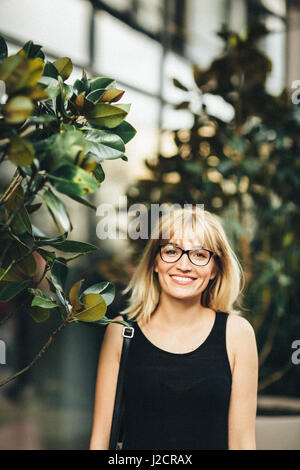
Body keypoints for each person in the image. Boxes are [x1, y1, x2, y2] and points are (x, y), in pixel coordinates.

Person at [89, 206, 258, 450]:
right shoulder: (122, 331)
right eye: (171, 251)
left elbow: (243, 444)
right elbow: (99, 442)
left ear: (215, 269)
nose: (184, 265)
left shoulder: (237, 334)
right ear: (154, 262)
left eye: (200, 255)